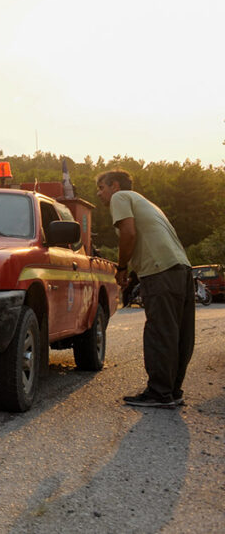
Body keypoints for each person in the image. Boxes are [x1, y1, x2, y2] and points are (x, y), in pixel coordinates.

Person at [96, 170, 194, 408]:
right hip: (181, 269)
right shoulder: (146, 202)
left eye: (101, 188)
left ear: (115, 186)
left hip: (160, 272)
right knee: (179, 333)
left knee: (159, 332)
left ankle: (159, 393)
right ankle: (172, 391)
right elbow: (148, 239)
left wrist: (121, 268)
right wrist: (134, 272)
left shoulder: (121, 198)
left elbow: (129, 234)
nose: (99, 194)